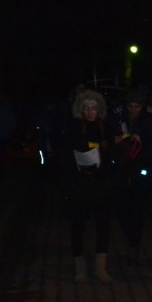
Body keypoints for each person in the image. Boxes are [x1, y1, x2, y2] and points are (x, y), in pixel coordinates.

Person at [63, 89, 114, 283]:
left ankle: (100, 268)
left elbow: (111, 151)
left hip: (100, 183)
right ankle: (80, 269)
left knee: (103, 224)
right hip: (79, 183)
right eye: (86, 108)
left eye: (93, 108)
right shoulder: (73, 127)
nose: (90, 112)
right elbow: (66, 151)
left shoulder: (104, 126)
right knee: (78, 225)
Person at [107, 87, 152, 265]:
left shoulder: (150, 121)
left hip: (141, 171)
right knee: (121, 208)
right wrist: (116, 142)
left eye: (136, 106)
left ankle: (134, 245)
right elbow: (107, 140)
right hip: (121, 169)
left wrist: (141, 142)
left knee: (136, 208)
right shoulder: (118, 118)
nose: (133, 110)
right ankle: (130, 237)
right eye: (130, 106)